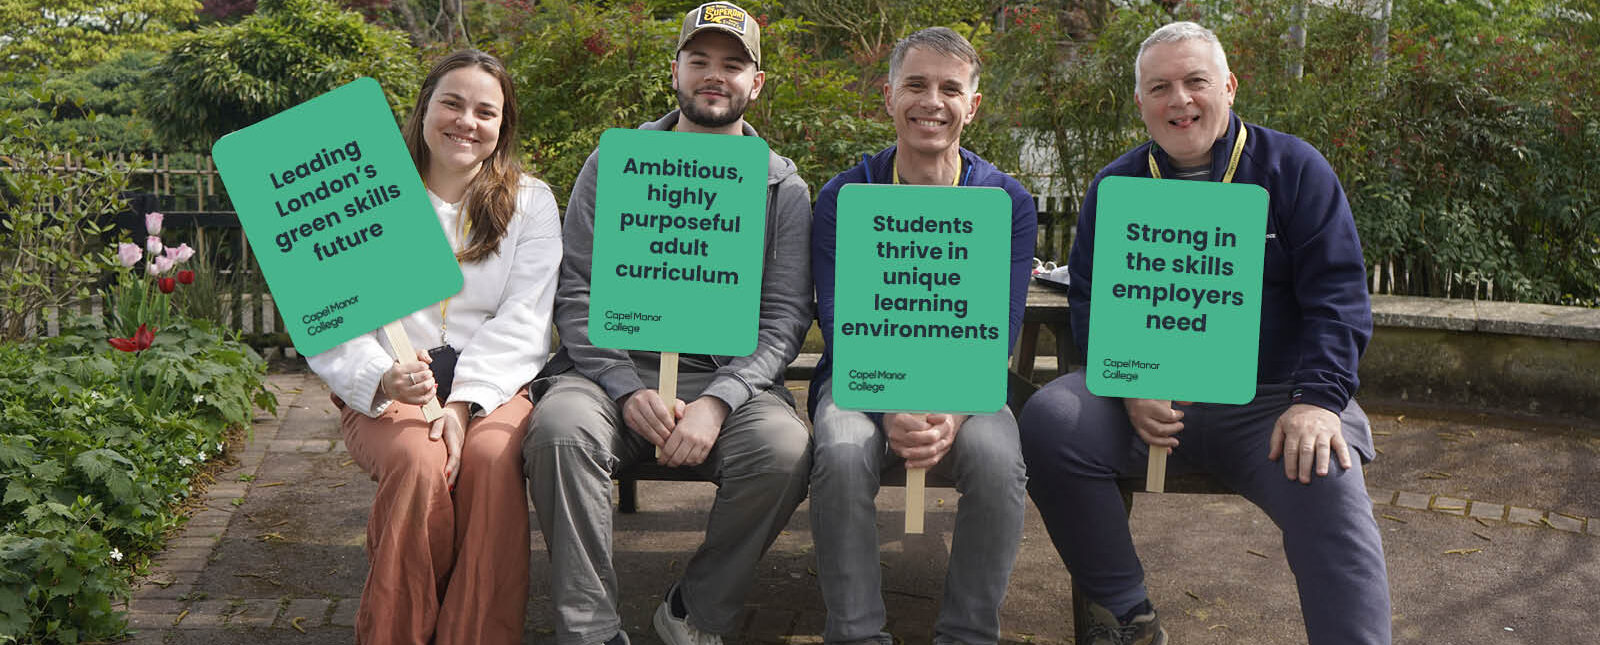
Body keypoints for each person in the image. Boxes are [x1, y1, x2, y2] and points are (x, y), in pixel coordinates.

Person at [1017, 21, 1390, 645]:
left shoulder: (1294, 169)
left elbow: (1339, 298)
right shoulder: (1116, 186)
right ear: (1140, 102)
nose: (1179, 100)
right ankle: (1126, 614)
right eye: (1159, 86)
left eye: (1195, 81)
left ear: (1229, 87)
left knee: (1328, 472)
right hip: (1148, 403)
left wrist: (1319, 401)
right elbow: (1091, 301)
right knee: (1052, 419)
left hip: (1270, 402)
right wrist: (1128, 381)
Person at [521, 3, 812, 644]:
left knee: (785, 450)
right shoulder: (614, 163)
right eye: (700, 60)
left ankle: (696, 612)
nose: (715, 75)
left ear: (755, 83)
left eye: (733, 64)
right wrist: (625, 388)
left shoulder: (782, 187)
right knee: (558, 429)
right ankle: (590, 628)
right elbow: (577, 293)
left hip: (728, 383)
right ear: (674, 70)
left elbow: (785, 319)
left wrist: (719, 401)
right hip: (608, 375)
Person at [305, 50, 562, 644]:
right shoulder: (360, 191)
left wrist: (463, 403)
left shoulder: (531, 202)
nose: (466, 121)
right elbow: (329, 317)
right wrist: (382, 376)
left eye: (485, 111)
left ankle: (476, 633)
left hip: (493, 389)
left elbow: (526, 319)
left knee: (491, 462)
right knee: (420, 463)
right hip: (389, 389)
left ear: (503, 126)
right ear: (423, 109)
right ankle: (396, 630)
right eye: (452, 102)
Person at [807, 27, 1037, 645]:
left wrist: (955, 413)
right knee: (842, 446)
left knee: (996, 458)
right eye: (915, 84)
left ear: (973, 104)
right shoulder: (844, 197)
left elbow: (1002, 327)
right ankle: (855, 633)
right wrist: (888, 406)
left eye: (949, 88)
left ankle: (967, 634)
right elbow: (838, 318)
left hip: (968, 384)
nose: (930, 101)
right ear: (888, 96)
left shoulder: (1006, 201)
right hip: (861, 379)